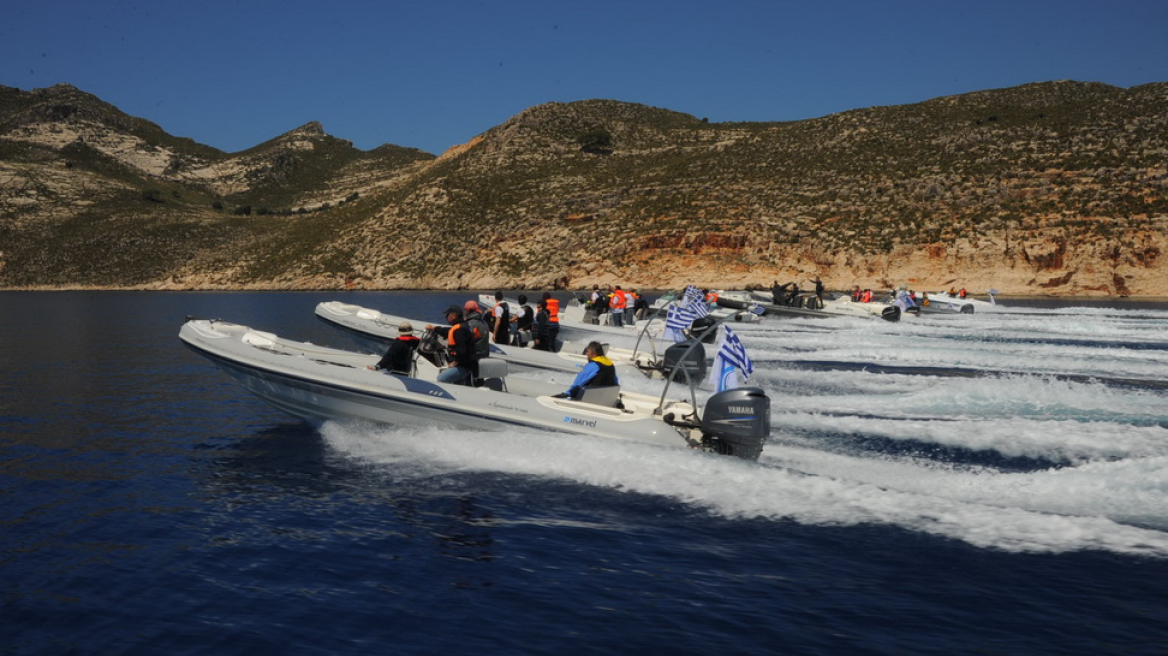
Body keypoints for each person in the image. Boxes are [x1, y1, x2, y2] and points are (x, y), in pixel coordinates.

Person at [426, 306, 479, 385]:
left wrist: (455, 363)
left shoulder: (459, 330)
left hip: (464, 366)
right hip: (466, 364)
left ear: (453, 316)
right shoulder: (462, 326)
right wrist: (434, 328)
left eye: (447, 315)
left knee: (441, 378)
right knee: (458, 385)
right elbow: (447, 331)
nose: (446, 317)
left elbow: (462, 350)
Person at [554, 341, 619, 399]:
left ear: (594, 354)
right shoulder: (609, 363)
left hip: (592, 396)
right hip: (607, 395)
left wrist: (568, 393)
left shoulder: (593, 365)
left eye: (588, 351)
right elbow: (615, 381)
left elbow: (579, 381)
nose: (586, 354)